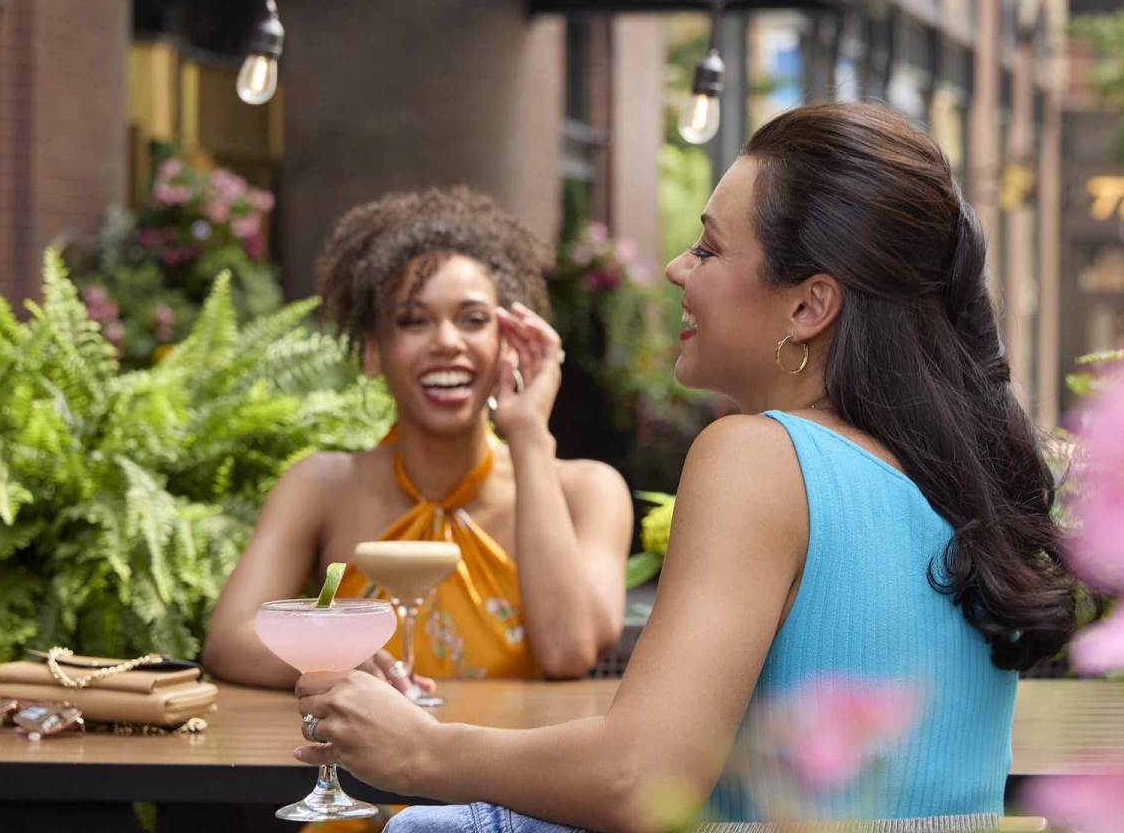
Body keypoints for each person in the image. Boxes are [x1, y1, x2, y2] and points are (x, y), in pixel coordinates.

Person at [293, 102, 1078, 832]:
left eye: (707, 247)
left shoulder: (762, 458)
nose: (676, 267)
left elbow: (639, 776)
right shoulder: (950, 476)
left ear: (810, 306)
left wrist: (418, 749)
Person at [202, 186, 634, 691]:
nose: (447, 342)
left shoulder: (586, 491)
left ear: (507, 345)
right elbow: (229, 641)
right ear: (372, 353)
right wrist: (332, 663)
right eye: (413, 321)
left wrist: (529, 436)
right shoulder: (322, 487)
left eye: (473, 320)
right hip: (358, 765)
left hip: (512, 767)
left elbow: (568, 652)